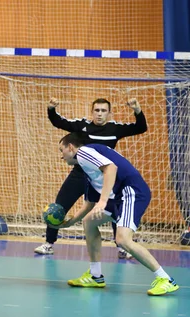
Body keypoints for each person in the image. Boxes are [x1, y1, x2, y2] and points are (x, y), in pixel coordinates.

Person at [52, 132, 179, 296]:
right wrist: (71, 222)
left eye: (61, 151)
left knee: (123, 239)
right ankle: (95, 275)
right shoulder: (87, 169)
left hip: (131, 192)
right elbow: (89, 204)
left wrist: (103, 201)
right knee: (89, 222)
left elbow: (111, 168)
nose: (61, 157)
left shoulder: (84, 153)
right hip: (118, 198)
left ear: (71, 147)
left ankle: (165, 279)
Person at [35, 97, 147, 259]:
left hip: (103, 177)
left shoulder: (115, 129)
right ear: (92, 111)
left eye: (103, 111)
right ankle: (49, 243)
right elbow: (59, 122)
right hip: (79, 174)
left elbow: (141, 128)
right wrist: (51, 109)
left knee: (115, 208)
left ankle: (122, 247)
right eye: (97, 110)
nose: (99, 114)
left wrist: (137, 110)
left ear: (109, 113)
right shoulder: (83, 125)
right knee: (59, 206)